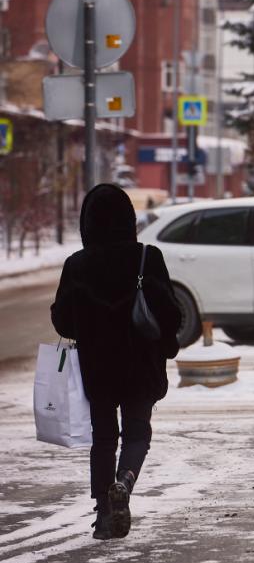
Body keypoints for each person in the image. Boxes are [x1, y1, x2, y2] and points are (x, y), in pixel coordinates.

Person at [51, 183, 182, 540]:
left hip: (99, 367)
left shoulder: (77, 264)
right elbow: (170, 312)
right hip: (141, 363)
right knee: (138, 432)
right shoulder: (147, 257)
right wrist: (168, 345)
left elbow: (62, 321)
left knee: (104, 437)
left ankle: (104, 516)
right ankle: (124, 482)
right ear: (128, 219)